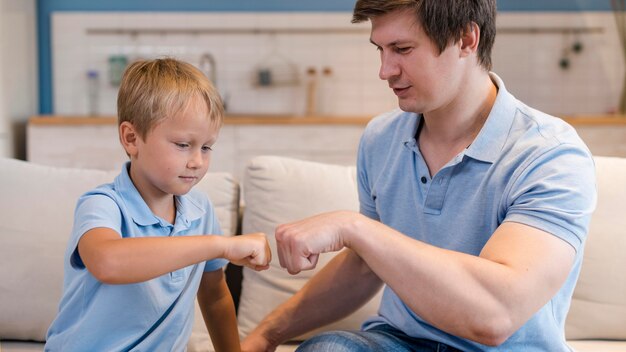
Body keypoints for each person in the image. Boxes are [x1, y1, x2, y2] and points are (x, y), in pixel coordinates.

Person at [241, 1, 596, 351]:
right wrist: (266, 336)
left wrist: (354, 227)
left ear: (466, 39)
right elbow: (367, 265)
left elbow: (494, 316)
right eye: (380, 49)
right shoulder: (381, 139)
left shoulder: (549, 154)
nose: (385, 70)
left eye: (402, 49)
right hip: (397, 342)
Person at [45, 58, 271, 352]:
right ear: (131, 138)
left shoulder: (200, 210)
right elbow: (107, 261)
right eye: (182, 145)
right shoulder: (103, 205)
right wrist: (221, 245)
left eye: (206, 147)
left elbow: (214, 296)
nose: (197, 161)